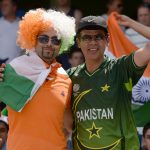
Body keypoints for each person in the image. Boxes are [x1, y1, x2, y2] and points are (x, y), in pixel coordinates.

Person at [67, 15, 150, 149]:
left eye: (98, 37)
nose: (93, 42)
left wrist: (131, 23)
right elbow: (68, 124)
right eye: (87, 37)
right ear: (78, 42)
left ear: (107, 40)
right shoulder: (69, 77)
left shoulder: (122, 68)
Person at [0, 8, 75, 150]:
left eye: (56, 40)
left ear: (62, 44)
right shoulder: (14, 70)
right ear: (33, 39)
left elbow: (69, 125)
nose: (49, 44)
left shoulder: (65, 78)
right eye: (43, 38)